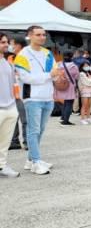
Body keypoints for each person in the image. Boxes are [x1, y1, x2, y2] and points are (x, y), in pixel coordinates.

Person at [14, 25, 59, 175]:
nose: (42, 37)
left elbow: (55, 72)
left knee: (40, 130)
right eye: (38, 35)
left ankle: (31, 160)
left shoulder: (47, 54)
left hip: (48, 97)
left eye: (44, 35)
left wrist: (56, 75)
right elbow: (26, 78)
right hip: (32, 98)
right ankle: (36, 161)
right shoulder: (23, 55)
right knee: (33, 130)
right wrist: (49, 76)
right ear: (30, 36)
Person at [0, 33, 20, 177]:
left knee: (4, 142)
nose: (6, 45)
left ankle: (1, 166)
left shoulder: (8, 63)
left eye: (6, 42)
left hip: (10, 107)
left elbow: (14, 84)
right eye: (2, 42)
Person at [54, 50, 79, 126]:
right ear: (71, 56)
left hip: (61, 85)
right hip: (70, 85)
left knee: (64, 102)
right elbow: (77, 76)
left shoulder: (58, 64)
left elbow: (55, 74)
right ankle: (66, 120)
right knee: (69, 103)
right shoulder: (74, 66)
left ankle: (63, 117)